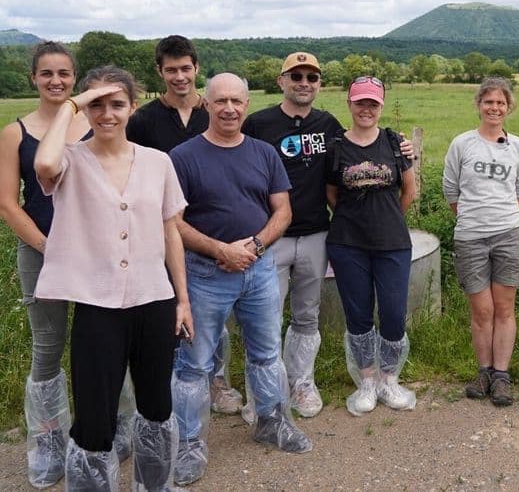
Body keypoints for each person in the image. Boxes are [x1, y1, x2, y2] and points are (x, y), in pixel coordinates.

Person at [32, 65, 194, 490]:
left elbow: (170, 231)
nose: (107, 114)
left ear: (133, 107)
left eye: (117, 104)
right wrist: (72, 105)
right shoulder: (70, 160)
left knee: (157, 406)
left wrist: (182, 300)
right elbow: (44, 160)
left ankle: (153, 484)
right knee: (94, 418)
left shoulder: (158, 162)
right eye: (97, 104)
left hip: (154, 301)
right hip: (97, 307)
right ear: (84, 110)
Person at [170, 73, 311, 486]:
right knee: (194, 364)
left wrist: (255, 246)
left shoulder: (264, 153)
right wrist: (220, 250)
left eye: (236, 101)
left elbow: (282, 211)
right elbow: (173, 223)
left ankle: (271, 420)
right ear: (206, 105)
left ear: (247, 105)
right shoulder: (183, 156)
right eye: (220, 101)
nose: (229, 108)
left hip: (259, 270)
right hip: (204, 274)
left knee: (266, 353)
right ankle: (190, 444)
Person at [126, 35, 243, 416]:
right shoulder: (143, 120)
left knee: (217, 317)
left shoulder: (214, 111)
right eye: (171, 70)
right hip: (160, 233)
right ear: (160, 72)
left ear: (196, 68)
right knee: (175, 312)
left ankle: (218, 381)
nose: (180, 76)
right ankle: (176, 385)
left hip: (212, 234)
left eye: (186, 68)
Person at [0, 43, 91, 487]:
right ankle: (48, 441)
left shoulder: (93, 124)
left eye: (65, 74)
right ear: (33, 78)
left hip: (96, 252)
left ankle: (105, 427)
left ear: (75, 78)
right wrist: (48, 245)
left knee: (100, 342)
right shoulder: (16, 133)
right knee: (48, 346)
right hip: (41, 252)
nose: (56, 81)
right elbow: (8, 205)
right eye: (47, 73)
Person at [241, 52, 343, 420]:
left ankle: (301, 383)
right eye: (296, 76)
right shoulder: (258, 124)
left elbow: (355, 155)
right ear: (281, 80)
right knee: (264, 316)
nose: (304, 83)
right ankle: (262, 394)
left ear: (319, 84)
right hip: (270, 236)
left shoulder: (329, 124)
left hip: (315, 232)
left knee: (306, 315)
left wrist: (401, 149)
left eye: (311, 78)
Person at [325, 76, 418, 416]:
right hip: (348, 243)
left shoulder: (395, 143)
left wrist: (388, 218)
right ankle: (366, 381)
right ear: (349, 104)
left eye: (373, 104)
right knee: (358, 314)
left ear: (380, 107)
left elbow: (408, 190)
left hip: (392, 243)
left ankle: (389, 379)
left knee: (393, 313)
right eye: (360, 102)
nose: (366, 109)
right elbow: (332, 195)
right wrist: (356, 220)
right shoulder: (337, 148)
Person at [443, 77, 519, 407]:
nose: (495, 108)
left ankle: (502, 376)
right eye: (488, 102)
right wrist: (475, 217)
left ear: (509, 108)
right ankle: (483, 371)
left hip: (508, 233)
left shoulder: (517, 146)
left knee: (504, 308)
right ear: (479, 105)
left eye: (501, 103)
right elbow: (451, 190)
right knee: (482, 310)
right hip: (470, 237)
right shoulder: (462, 144)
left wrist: (498, 216)